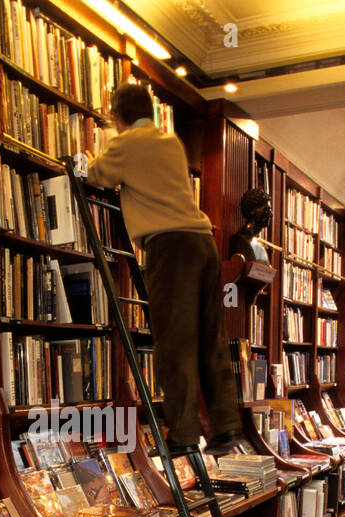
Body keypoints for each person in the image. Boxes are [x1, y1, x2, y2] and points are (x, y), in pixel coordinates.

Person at [88, 83, 243, 455]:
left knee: (174, 342)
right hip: (202, 241)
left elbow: (97, 175)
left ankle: (184, 434)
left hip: (169, 247)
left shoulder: (125, 144)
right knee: (210, 337)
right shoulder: (171, 142)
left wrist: (88, 155)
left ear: (117, 115)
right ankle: (226, 427)